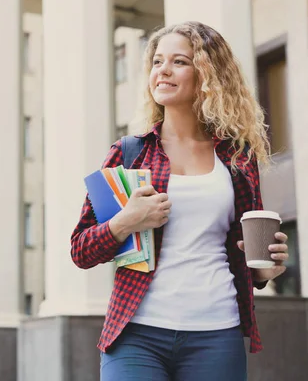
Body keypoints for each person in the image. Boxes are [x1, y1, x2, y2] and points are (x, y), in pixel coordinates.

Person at [70, 21, 289, 381]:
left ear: (207, 74)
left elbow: (248, 254)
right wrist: (126, 220)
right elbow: (81, 250)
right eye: (157, 62)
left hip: (217, 332)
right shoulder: (129, 154)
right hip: (136, 333)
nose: (163, 71)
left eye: (179, 62)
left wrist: (265, 272)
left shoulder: (237, 159)